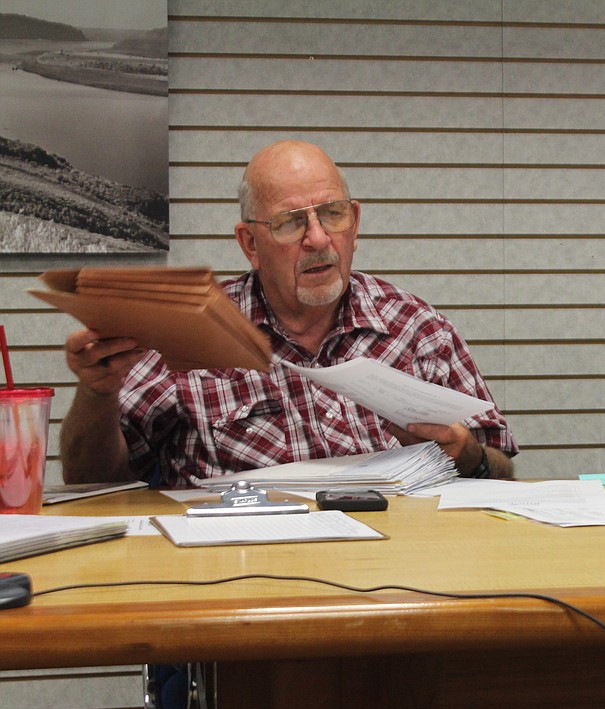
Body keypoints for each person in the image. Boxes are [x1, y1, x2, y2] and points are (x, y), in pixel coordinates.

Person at [60, 140, 516, 487]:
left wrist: (469, 455)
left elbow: (503, 472)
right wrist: (97, 393)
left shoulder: (416, 328)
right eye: (290, 222)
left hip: (395, 577)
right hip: (242, 579)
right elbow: (91, 481)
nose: (318, 239)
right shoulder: (191, 327)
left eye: (332, 215)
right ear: (250, 244)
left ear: (355, 224)